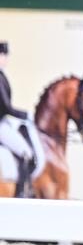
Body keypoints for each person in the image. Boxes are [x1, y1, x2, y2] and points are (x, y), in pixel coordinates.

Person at [0, 41, 39, 196]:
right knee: (26, 153)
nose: (5, 59)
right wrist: (26, 115)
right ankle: (21, 192)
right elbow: (7, 107)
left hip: (4, 121)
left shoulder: (2, 75)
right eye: (3, 56)